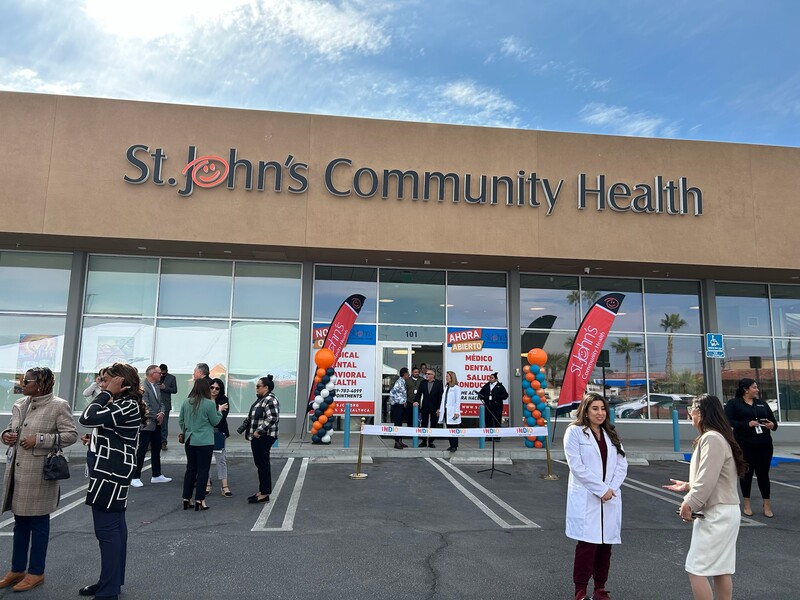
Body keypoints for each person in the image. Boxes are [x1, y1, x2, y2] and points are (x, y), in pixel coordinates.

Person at [0, 367, 78, 592]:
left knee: (39, 524)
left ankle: (36, 572)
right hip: (16, 473)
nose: (22, 384)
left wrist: (41, 439)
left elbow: (70, 435)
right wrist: (6, 436)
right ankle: (17, 569)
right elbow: (9, 430)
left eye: (27, 381)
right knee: (20, 524)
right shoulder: (20, 404)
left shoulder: (58, 405)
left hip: (40, 475)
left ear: (41, 383)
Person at [664, 394, 746, 600]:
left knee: (696, 569)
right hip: (725, 511)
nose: (689, 414)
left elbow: (707, 479)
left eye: (692, 409)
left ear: (701, 413)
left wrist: (689, 502)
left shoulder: (711, 438)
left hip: (716, 514)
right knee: (721, 569)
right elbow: (715, 477)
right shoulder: (718, 436)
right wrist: (689, 485)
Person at [78, 362, 145, 600]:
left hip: (111, 474)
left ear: (121, 382)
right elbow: (107, 429)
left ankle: (108, 591)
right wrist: (96, 438)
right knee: (115, 530)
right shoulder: (124, 404)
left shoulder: (125, 404)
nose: (101, 383)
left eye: (106, 380)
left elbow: (87, 417)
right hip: (112, 471)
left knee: (107, 531)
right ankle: (110, 583)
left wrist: (106, 393)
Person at [563, 392, 628, 600]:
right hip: (588, 497)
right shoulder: (574, 432)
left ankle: (600, 588)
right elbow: (576, 466)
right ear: (586, 410)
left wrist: (611, 489)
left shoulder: (611, 433)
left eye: (603, 409)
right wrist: (601, 489)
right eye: (595, 409)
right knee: (587, 546)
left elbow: (622, 464)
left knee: (604, 546)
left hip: (609, 498)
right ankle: (580, 590)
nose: (600, 413)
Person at [724, 378, 777, 517]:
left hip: (764, 444)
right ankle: (746, 503)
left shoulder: (762, 404)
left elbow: (774, 422)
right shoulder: (734, 404)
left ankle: (766, 504)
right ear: (746, 389)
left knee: (763, 474)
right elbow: (728, 421)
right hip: (744, 443)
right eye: (754, 387)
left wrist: (772, 425)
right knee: (746, 474)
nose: (757, 390)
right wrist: (746, 424)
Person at [179, 377, 225, 511]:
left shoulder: (186, 402)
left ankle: (186, 498)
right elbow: (215, 421)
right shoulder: (209, 404)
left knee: (190, 470)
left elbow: (181, 420)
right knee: (203, 470)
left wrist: (185, 431)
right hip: (204, 441)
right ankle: (200, 499)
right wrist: (220, 411)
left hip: (190, 439)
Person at [238, 375, 279, 504]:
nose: (256, 388)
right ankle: (262, 491)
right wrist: (242, 429)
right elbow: (251, 417)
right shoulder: (260, 400)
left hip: (263, 437)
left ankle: (265, 493)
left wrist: (258, 431)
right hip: (256, 437)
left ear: (266, 387)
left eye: (258, 386)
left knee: (263, 464)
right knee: (260, 464)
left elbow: (272, 418)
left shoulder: (270, 400)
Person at [131, 364, 170, 487]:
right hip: (147, 423)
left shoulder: (156, 386)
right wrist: (156, 416)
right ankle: (135, 476)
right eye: (159, 373)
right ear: (152, 374)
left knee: (156, 448)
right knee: (142, 449)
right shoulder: (143, 387)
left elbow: (161, 402)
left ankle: (156, 475)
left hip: (157, 423)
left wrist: (162, 413)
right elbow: (145, 405)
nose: (161, 375)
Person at [207, 378, 232, 497]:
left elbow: (220, 418)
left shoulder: (224, 400)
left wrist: (216, 411)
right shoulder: (205, 399)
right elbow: (206, 416)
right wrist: (218, 410)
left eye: (217, 388)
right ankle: (207, 484)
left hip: (219, 432)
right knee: (205, 459)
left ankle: (225, 486)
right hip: (206, 433)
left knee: (221, 459)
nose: (214, 390)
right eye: (212, 387)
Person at [414, 368, 443, 448]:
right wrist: (416, 401)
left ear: (433, 375)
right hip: (425, 406)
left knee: (433, 424)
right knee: (424, 423)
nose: (427, 375)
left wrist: (439, 408)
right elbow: (418, 393)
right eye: (426, 373)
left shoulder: (439, 383)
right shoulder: (423, 382)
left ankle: (431, 441)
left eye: (429, 374)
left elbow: (440, 396)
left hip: (434, 407)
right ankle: (423, 441)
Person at [477, 372, 509, 440]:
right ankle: (489, 436)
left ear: (496, 379)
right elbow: (481, 393)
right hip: (488, 406)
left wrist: (497, 397)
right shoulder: (487, 385)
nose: (490, 379)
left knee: (497, 420)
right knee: (488, 421)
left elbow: (505, 395)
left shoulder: (500, 386)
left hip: (497, 406)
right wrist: (482, 396)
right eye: (490, 378)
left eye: (492, 378)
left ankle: (497, 436)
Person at [437, 371, 462, 452]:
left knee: (453, 429)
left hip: (452, 412)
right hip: (446, 411)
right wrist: (441, 410)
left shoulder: (456, 388)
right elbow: (443, 401)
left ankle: (454, 446)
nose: (446, 378)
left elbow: (457, 401)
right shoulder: (446, 387)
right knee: (449, 429)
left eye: (448, 376)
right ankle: (451, 445)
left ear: (452, 377)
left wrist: (456, 412)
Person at [158, 363, 177, 451]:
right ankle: (153, 442)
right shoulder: (155, 376)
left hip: (165, 403)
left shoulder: (171, 378)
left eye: (163, 373)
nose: (161, 375)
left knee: (164, 424)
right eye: (160, 373)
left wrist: (165, 388)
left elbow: (174, 390)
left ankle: (163, 442)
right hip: (155, 403)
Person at [389, 368, 409, 449]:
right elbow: (392, 392)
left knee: (400, 423)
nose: (408, 375)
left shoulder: (403, 382)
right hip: (397, 405)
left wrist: (404, 401)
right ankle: (396, 442)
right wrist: (393, 402)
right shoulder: (399, 382)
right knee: (397, 424)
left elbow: (402, 394)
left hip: (401, 405)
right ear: (404, 374)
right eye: (407, 373)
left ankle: (400, 441)